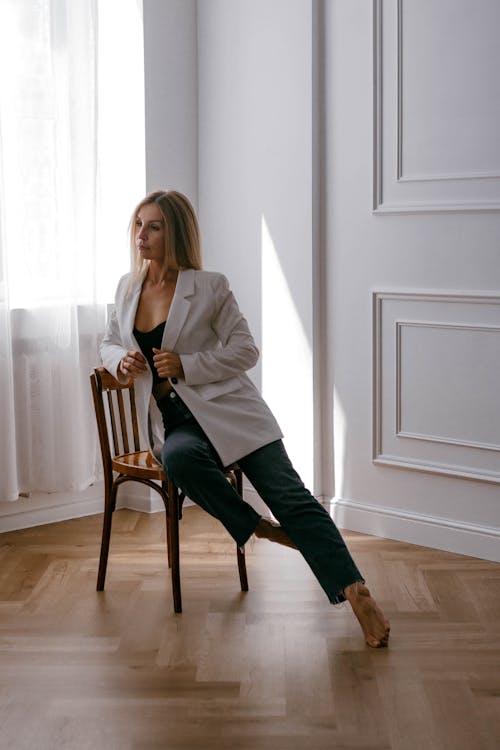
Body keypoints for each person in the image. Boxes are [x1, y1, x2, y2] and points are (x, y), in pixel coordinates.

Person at [100, 190, 390, 648]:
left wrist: (187, 364)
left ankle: (357, 593)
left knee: (292, 498)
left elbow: (246, 351)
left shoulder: (209, 285)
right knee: (180, 460)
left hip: (232, 413)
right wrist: (121, 361)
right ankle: (254, 527)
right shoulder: (126, 288)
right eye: (138, 224)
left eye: (153, 226)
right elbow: (109, 340)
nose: (142, 235)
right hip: (174, 422)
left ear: (174, 232)